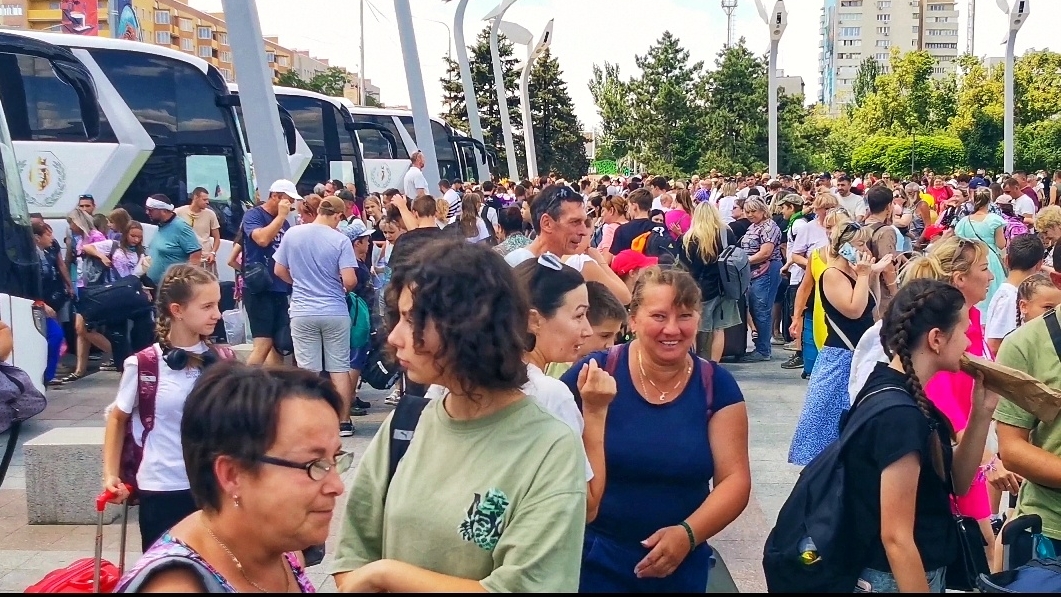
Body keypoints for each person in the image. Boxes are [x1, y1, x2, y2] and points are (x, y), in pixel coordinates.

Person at [330, 241, 588, 592]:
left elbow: (527, 586)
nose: (395, 336)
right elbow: (352, 557)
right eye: (399, 318)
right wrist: (371, 573)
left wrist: (387, 574)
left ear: (468, 325)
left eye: (413, 320)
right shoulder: (407, 423)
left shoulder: (549, 446)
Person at [560, 267, 750, 592]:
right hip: (592, 560)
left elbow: (735, 479)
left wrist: (688, 534)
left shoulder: (715, 386)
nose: (672, 329)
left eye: (685, 316)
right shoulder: (594, 374)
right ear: (632, 320)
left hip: (680, 565)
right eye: (659, 316)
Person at [115, 362, 346, 592]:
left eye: (335, 458)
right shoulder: (177, 586)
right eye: (313, 465)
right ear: (232, 475)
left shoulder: (280, 548)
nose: (337, 486)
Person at [845, 279, 998, 593]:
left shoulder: (901, 392)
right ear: (936, 339)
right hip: (894, 577)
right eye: (964, 332)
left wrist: (980, 414)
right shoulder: (899, 416)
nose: (969, 345)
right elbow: (897, 538)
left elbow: (955, 480)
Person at [101, 265, 225, 551]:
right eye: (207, 306)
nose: (217, 314)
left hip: (213, 487)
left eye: (216, 304)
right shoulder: (144, 365)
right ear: (177, 310)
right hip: (161, 488)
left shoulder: (222, 361)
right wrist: (110, 475)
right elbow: (117, 419)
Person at [788, 222, 888, 466]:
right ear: (843, 247)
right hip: (840, 357)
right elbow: (853, 310)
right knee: (826, 422)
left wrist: (870, 275)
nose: (864, 249)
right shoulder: (832, 274)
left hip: (859, 355)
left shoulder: (856, 272)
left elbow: (871, 308)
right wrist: (865, 274)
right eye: (859, 244)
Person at [273, 195, 358, 437]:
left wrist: (297, 282)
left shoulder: (293, 234)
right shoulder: (340, 240)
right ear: (338, 215)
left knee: (308, 370)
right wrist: (342, 288)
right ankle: (343, 422)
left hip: (302, 310)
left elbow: (279, 269)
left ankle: (308, 421)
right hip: (334, 310)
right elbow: (350, 279)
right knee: (339, 368)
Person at [242, 180, 296, 366]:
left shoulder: (286, 224)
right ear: (275, 196)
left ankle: (274, 386)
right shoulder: (253, 215)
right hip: (260, 287)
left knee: (279, 344)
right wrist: (280, 217)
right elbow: (262, 239)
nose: (290, 206)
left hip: (279, 288)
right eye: (288, 200)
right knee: (263, 343)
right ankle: (243, 383)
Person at [678, 202, 741, 362]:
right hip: (724, 287)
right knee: (718, 329)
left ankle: (692, 362)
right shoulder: (726, 233)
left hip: (697, 289)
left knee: (694, 329)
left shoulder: (688, 238)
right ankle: (714, 366)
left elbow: (685, 268)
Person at [985, 233, 1046, 356]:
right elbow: (994, 344)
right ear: (1039, 265)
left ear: (1007, 260)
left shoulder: (1008, 292)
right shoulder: (1010, 298)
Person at [741, 197, 784, 361]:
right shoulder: (753, 226)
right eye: (747, 211)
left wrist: (745, 261)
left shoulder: (769, 227)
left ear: (763, 210)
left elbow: (766, 252)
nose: (750, 214)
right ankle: (761, 347)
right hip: (754, 271)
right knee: (755, 307)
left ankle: (763, 350)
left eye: (753, 211)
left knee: (761, 308)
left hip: (766, 270)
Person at [955, 187, 1007, 312]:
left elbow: (957, 241)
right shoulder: (994, 220)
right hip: (990, 258)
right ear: (989, 200)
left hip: (970, 259)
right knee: (993, 288)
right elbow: (1001, 244)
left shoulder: (964, 221)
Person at [144, 195, 202, 286]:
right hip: (151, 284)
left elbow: (196, 255)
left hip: (168, 289)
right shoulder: (161, 225)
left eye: (150, 210)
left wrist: (184, 283)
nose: (147, 212)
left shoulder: (181, 227)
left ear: (163, 211)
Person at [175, 187, 221, 275]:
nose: (207, 202)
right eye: (204, 199)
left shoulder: (210, 214)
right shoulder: (178, 212)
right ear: (195, 198)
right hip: (186, 258)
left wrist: (213, 253)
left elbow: (217, 237)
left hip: (206, 259)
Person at [606, 188, 656, 257]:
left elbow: (615, 258)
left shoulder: (622, 230)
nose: (628, 211)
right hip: (654, 266)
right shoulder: (659, 228)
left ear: (635, 207)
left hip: (630, 267)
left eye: (629, 207)